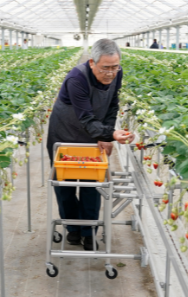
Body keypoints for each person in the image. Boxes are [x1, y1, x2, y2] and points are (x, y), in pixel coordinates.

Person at [47, 39, 135, 250]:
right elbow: (85, 118)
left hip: (92, 134)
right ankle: (73, 229)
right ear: (92, 62)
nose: (111, 73)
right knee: (65, 185)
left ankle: (89, 232)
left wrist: (105, 135)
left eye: (115, 67)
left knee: (92, 183)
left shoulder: (116, 73)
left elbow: (112, 105)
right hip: (65, 133)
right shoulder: (76, 78)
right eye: (105, 68)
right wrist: (111, 134)